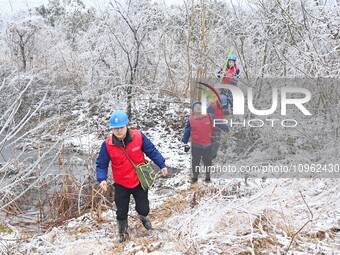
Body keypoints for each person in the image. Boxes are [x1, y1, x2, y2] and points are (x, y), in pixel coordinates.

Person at [96, 110, 168, 242]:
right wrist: (102, 179)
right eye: (115, 128)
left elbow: (151, 150)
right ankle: (123, 233)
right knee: (121, 211)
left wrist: (161, 164)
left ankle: (143, 216)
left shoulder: (139, 137)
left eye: (121, 127)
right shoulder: (107, 145)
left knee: (144, 208)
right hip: (121, 183)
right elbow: (101, 164)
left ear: (127, 125)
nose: (119, 131)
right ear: (112, 129)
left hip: (139, 181)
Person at [182, 101, 228, 183]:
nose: (198, 108)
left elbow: (218, 122)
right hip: (196, 145)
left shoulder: (210, 116)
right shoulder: (191, 119)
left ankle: (208, 177)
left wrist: (225, 128)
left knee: (208, 161)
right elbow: (187, 131)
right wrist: (185, 143)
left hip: (208, 144)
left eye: (200, 106)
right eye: (196, 107)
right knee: (195, 162)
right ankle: (195, 177)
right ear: (193, 110)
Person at [207, 95, 228, 159]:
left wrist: (225, 112)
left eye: (223, 105)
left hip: (218, 128)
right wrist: (224, 127)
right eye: (221, 104)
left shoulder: (223, 106)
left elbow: (221, 111)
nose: (222, 106)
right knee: (212, 143)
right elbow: (210, 117)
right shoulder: (211, 107)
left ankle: (211, 158)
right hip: (211, 128)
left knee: (216, 144)